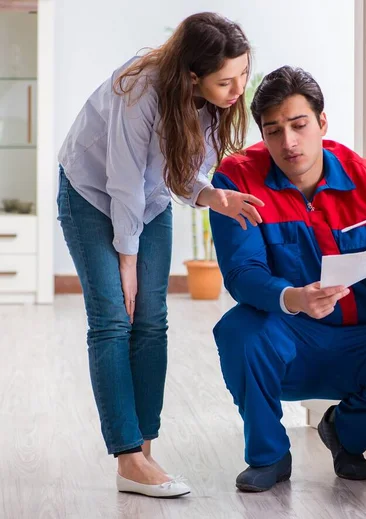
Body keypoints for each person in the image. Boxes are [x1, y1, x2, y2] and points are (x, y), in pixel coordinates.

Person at [209, 66, 366, 492]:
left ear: (322, 122)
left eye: (299, 125)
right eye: (273, 131)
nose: (288, 142)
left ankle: (345, 432)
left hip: (359, 339)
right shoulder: (236, 181)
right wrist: (292, 297)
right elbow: (241, 274)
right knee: (239, 330)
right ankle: (269, 457)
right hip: (286, 337)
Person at [57, 13, 263, 498]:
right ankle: (127, 456)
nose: (238, 90)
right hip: (90, 191)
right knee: (112, 316)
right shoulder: (141, 87)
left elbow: (181, 174)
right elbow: (123, 180)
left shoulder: (214, 102)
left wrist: (215, 197)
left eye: (243, 76)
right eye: (226, 81)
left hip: (147, 199)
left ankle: (144, 454)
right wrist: (126, 261)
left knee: (152, 320)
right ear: (192, 75)